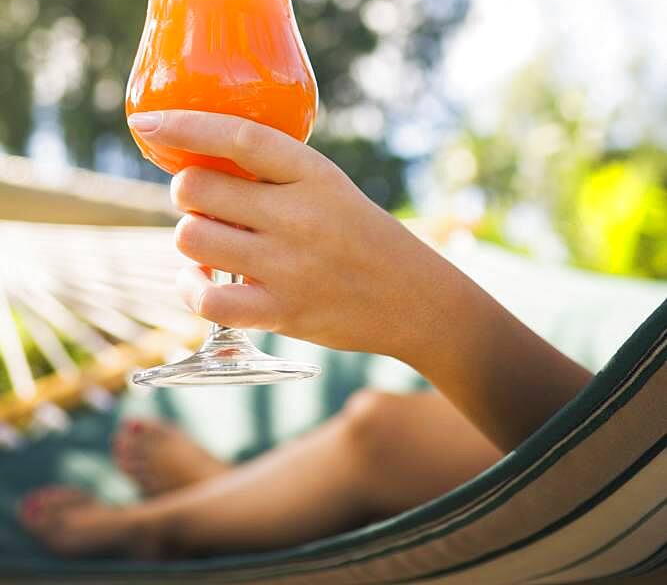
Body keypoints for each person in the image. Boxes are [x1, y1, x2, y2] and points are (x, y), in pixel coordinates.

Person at [20, 111, 592, 558]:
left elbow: (630, 465)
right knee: (379, 432)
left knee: (379, 435)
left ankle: (160, 527)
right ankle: (238, 496)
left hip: (633, 471)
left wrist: (411, 295)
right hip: (634, 449)